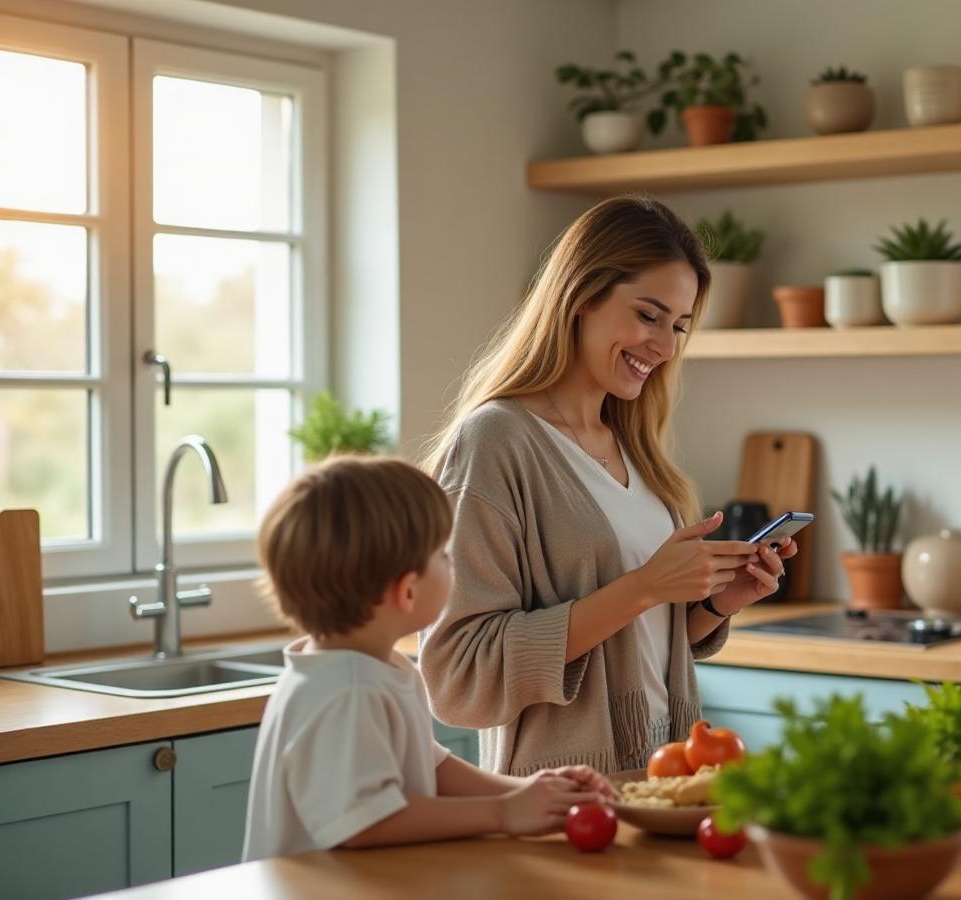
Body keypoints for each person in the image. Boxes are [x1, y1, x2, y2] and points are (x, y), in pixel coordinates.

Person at [418, 195, 797, 776]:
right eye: (648, 316)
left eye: (678, 326)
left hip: (664, 778)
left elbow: (637, 638)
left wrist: (717, 602)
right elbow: (458, 676)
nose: (666, 347)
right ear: (581, 296)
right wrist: (644, 586)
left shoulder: (636, 448)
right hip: (562, 795)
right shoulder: (496, 443)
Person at [241, 456, 615, 860]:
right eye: (443, 555)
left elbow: (432, 768)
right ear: (407, 592)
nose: (451, 564)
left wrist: (527, 790)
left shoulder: (371, 669)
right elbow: (366, 821)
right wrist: (503, 813)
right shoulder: (350, 690)